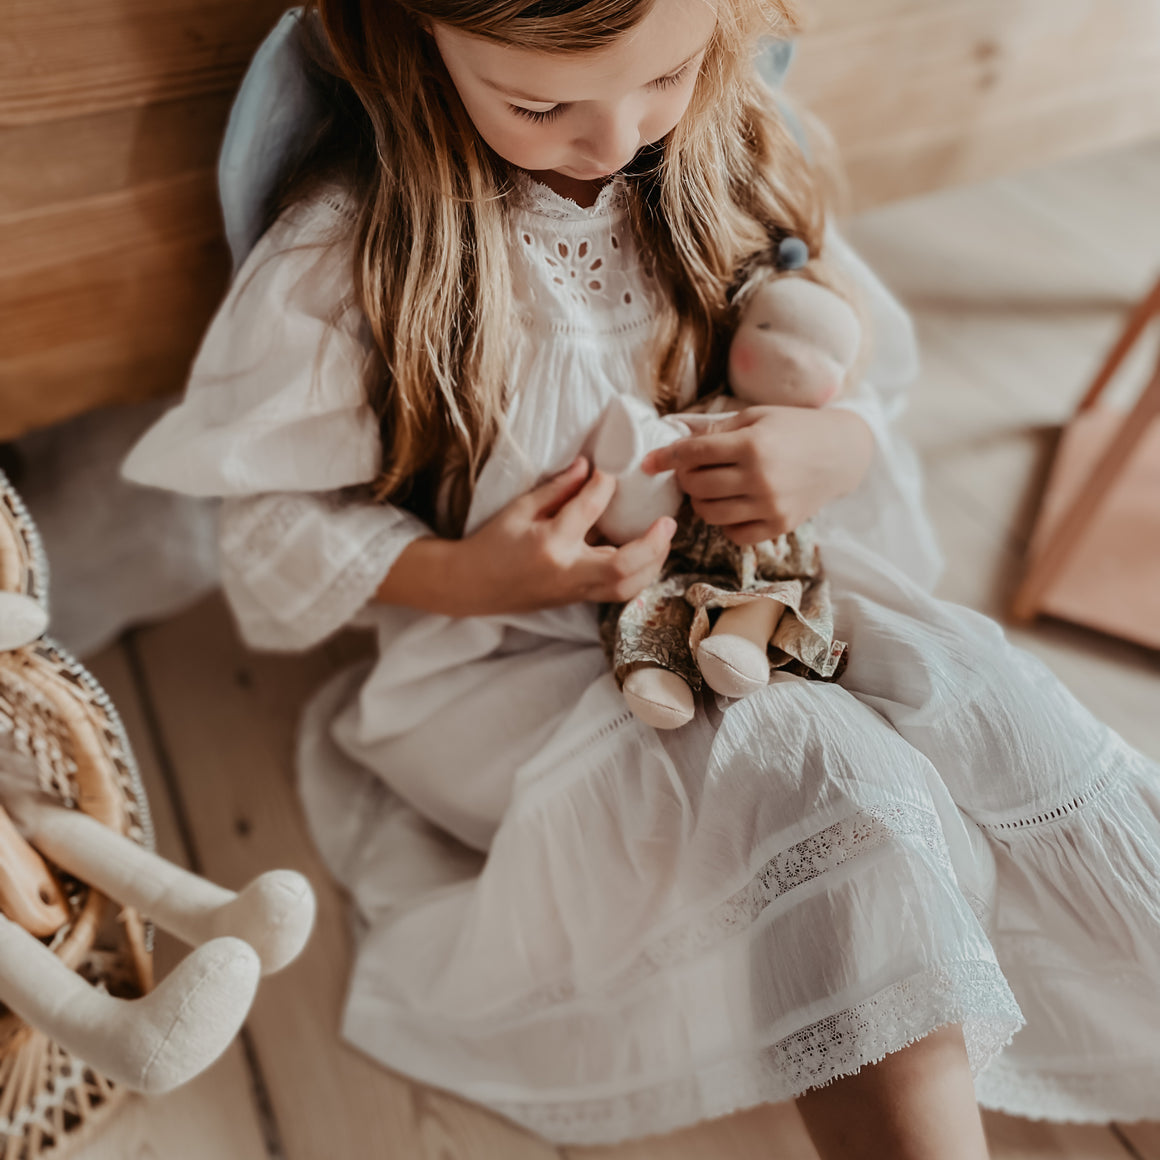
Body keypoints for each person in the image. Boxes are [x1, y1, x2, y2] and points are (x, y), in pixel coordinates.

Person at [121, 1, 1160, 1156]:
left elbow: (844, 346)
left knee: (974, 693)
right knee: (821, 775)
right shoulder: (354, 248)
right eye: (540, 103)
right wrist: (470, 574)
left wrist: (837, 444)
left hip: (762, 589)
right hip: (514, 658)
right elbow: (265, 518)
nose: (612, 138)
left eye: (662, 75)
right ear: (416, 33)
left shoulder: (732, 150)